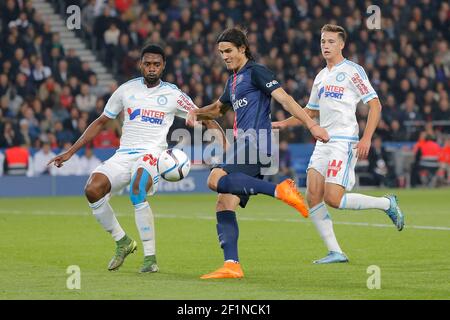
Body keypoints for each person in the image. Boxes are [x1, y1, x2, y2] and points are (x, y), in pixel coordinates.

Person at [48, 44, 225, 274]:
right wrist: (71, 151)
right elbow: (101, 121)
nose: (152, 68)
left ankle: (150, 258)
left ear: (163, 67)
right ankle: (122, 241)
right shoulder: (125, 90)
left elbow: (206, 116)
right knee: (92, 189)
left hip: (153, 154)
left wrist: (224, 146)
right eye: (148, 64)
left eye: (156, 64)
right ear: (141, 64)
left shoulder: (173, 94)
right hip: (124, 154)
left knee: (137, 188)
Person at [187, 28, 329, 279]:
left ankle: (279, 189)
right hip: (246, 144)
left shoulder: (256, 72)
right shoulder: (232, 81)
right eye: (221, 53)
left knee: (213, 179)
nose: (225, 56)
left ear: (242, 48)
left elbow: (285, 99)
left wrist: (312, 125)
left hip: (257, 141)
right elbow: (219, 109)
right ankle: (232, 265)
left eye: (229, 51)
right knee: (224, 202)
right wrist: (196, 112)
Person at [273, 24, 405, 264]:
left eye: (331, 41)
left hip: (344, 141)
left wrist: (366, 138)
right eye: (323, 41)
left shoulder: (353, 71)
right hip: (323, 141)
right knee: (313, 196)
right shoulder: (321, 76)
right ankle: (336, 252)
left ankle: (386, 203)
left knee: (333, 198)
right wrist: (282, 124)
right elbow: (309, 112)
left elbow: (375, 105)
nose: (326, 45)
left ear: (342, 44)